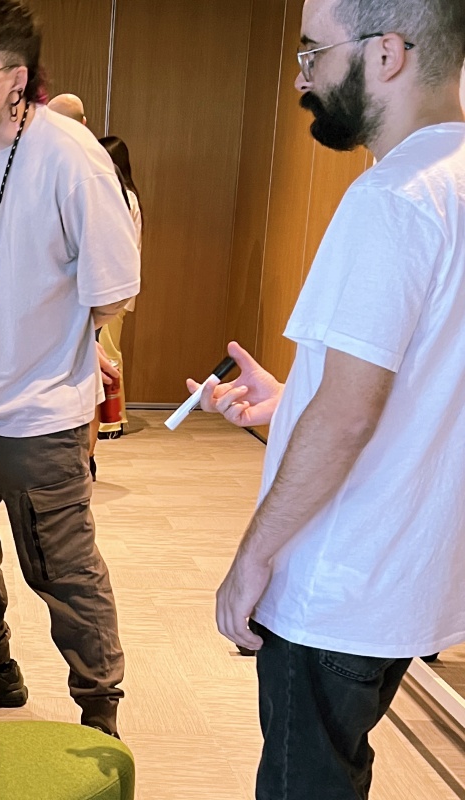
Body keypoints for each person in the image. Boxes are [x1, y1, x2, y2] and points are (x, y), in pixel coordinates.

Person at [192, 0, 465, 795]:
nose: (302, 78)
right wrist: (292, 399)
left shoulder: (393, 199)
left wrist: (252, 558)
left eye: (314, 53)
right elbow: (419, 378)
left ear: (387, 54)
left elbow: (349, 412)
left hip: (339, 582)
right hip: (413, 575)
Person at [0, 0, 141, 737]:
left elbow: (114, 290)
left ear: (17, 80)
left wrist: (50, 354)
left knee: (62, 569)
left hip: (43, 414)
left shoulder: (73, 156)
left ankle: (98, 709)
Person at [95, 135, 144, 440]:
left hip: (114, 290)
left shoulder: (123, 197)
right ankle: (106, 418)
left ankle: (112, 420)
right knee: (104, 351)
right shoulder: (120, 195)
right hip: (111, 289)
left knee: (109, 352)